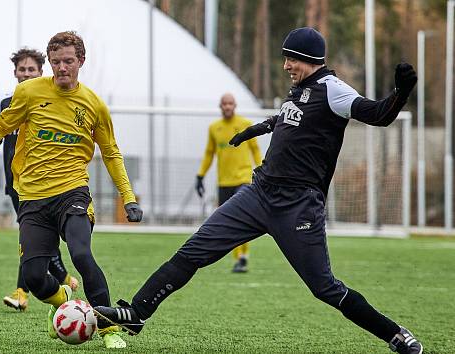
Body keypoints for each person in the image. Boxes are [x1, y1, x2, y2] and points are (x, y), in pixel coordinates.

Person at [93, 27, 423, 353]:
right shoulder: (299, 90)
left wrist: (401, 93)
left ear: (306, 58)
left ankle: (395, 335)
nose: (286, 66)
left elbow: (378, 115)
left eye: (290, 59)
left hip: (298, 206)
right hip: (258, 194)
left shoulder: (333, 90)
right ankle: (136, 314)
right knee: (193, 252)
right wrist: (254, 130)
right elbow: (284, 120)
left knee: (325, 288)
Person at [0, 31, 143, 349]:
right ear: (50, 63)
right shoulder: (30, 93)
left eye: (69, 61)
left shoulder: (94, 105)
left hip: (72, 193)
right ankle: (64, 301)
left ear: (81, 62)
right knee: (34, 278)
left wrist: (128, 198)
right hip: (32, 196)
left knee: (81, 255)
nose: (62, 68)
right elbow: (4, 124)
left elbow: (111, 153)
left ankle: (109, 328)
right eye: (57, 62)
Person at [0, 48, 79, 312]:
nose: (26, 74)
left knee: (31, 238)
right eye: (22, 69)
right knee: (38, 238)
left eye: (32, 70)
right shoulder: (4, 104)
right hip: (16, 183)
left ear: (41, 72)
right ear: (15, 72)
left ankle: (22, 292)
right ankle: (62, 278)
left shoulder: (48, 101)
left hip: (45, 182)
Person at [196, 93, 262, 273]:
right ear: (220, 106)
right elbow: (209, 153)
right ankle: (237, 258)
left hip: (243, 179)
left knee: (244, 217)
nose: (227, 106)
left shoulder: (245, 125)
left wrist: (263, 169)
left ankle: (242, 257)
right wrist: (200, 175)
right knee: (228, 220)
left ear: (235, 105)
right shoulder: (214, 128)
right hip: (224, 181)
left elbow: (255, 149)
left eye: (230, 103)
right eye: (224, 104)